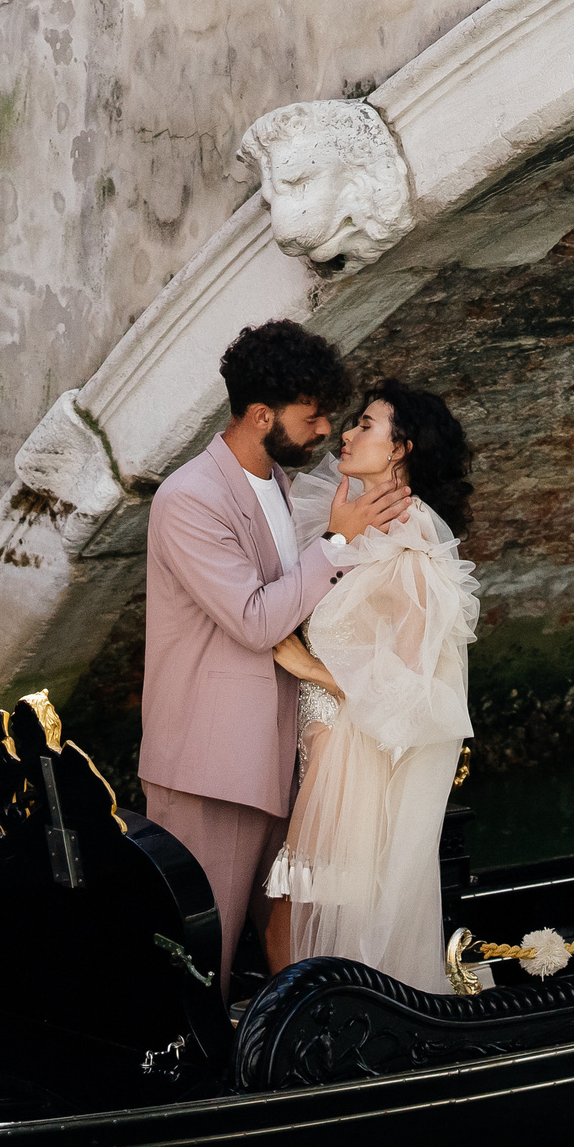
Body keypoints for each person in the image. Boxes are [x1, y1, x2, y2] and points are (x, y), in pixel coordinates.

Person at [140, 322, 413, 990]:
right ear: (262, 415)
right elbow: (257, 619)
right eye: (310, 414)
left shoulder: (277, 484)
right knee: (203, 961)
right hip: (211, 771)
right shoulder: (189, 499)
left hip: (275, 760)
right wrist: (338, 544)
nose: (324, 429)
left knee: (280, 952)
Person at [265, 381, 479, 992]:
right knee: (294, 908)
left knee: (295, 906)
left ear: (399, 450)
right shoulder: (347, 520)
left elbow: (411, 683)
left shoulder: (412, 542)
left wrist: (311, 668)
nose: (347, 434)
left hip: (351, 753)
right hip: (316, 740)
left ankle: (310, 1039)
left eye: (366, 425)